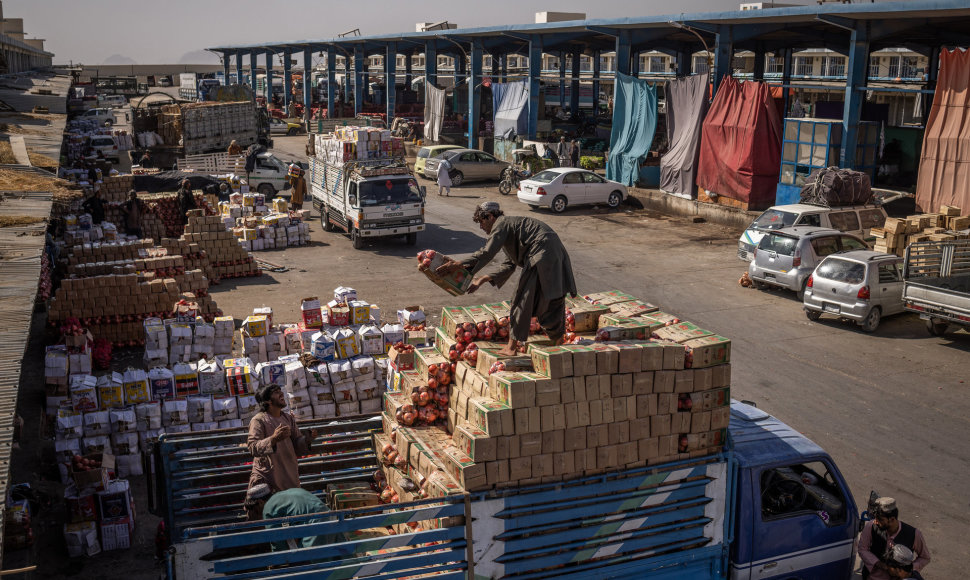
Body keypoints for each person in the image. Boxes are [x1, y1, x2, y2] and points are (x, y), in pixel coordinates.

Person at [437, 202, 577, 356]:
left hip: (541, 251)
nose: (481, 227)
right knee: (551, 297)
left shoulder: (501, 223)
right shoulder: (510, 228)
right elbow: (509, 264)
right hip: (553, 251)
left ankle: (511, 347)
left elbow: (487, 252)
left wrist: (459, 264)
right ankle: (558, 341)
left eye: (481, 222)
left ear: (490, 217)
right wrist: (483, 278)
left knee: (521, 297)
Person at [247, 384, 317, 493]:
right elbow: (252, 447)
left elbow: (297, 444)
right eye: (276, 392)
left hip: (289, 476)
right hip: (269, 479)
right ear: (268, 401)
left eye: (280, 390)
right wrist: (273, 439)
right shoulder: (258, 421)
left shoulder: (287, 418)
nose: (281, 393)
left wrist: (307, 439)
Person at [243, 484, 337, 551]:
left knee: (313, 564)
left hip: (316, 524)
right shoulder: (292, 491)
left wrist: (279, 561)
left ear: (260, 502)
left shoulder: (268, 508)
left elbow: (277, 540)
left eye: (256, 510)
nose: (260, 514)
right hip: (331, 517)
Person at [859, 497, 930, 580]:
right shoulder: (871, 526)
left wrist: (906, 570)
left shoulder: (913, 534)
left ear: (892, 519)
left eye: (880, 519)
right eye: (875, 518)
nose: (875, 521)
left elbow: (925, 557)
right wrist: (879, 564)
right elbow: (862, 549)